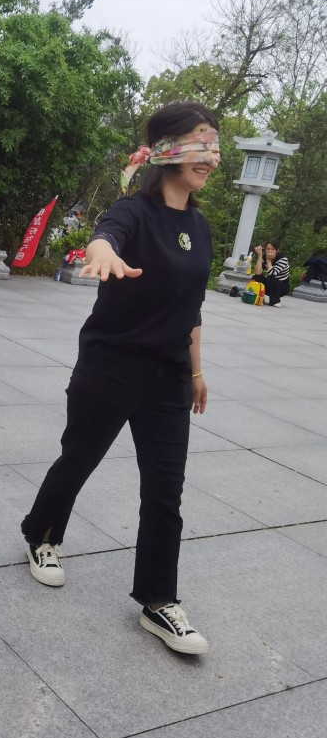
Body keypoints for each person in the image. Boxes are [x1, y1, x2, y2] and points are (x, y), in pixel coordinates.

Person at [21, 101, 219, 656]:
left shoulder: (200, 228)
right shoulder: (133, 211)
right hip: (111, 366)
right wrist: (102, 253)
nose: (210, 157)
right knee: (78, 460)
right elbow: (105, 236)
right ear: (167, 151)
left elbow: (192, 307)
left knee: (165, 492)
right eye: (200, 143)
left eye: (214, 146)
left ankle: (159, 601)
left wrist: (196, 370)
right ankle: (42, 536)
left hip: (169, 376)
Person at [254, 240, 289, 307]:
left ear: (277, 250)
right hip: (271, 284)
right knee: (256, 278)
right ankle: (259, 297)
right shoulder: (264, 257)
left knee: (273, 280)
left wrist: (268, 260)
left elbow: (273, 274)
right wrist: (260, 256)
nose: (270, 251)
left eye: (272, 249)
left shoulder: (283, 259)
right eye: (268, 249)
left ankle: (276, 301)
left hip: (282, 287)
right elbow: (257, 273)